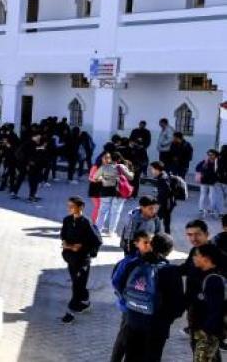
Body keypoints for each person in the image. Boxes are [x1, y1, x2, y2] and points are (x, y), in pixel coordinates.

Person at [110, 233, 185, 362]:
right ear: (169, 251)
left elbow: (120, 286)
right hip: (157, 326)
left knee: (131, 357)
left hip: (132, 320)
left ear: (151, 245)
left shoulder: (133, 264)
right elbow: (177, 307)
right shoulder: (171, 271)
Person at [59, 196, 102, 324]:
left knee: (77, 285)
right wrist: (68, 245)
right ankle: (85, 301)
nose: (69, 208)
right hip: (70, 258)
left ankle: (70, 311)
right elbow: (63, 236)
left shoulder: (86, 223)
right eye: (68, 206)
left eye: (72, 206)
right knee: (77, 283)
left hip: (82, 260)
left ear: (81, 207)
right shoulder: (67, 220)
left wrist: (85, 249)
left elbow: (97, 241)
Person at [188, 243, 225, 361]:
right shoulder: (203, 274)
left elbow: (216, 310)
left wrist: (205, 332)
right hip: (203, 331)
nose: (194, 257)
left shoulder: (213, 280)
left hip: (207, 334)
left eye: (197, 255)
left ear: (206, 258)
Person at [93, 151, 133, 236]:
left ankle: (98, 229)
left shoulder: (104, 167)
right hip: (119, 193)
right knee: (115, 212)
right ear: (119, 159)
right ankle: (111, 232)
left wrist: (104, 179)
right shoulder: (121, 166)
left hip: (106, 191)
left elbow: (94, 178)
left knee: (102, 211)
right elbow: (130, 177)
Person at [150, 161, 177, 234]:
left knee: (156, 219)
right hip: (170, 202)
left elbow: (165, 193)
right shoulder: (164, 175)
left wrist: (157, 205)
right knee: (166, 222)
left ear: (157, 169)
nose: (151, 170)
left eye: (152, 169)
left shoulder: (162, 179)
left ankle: (157, 236)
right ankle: (167, 236)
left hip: (165, 204)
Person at [196, 149, 221, 218]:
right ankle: (201, 209)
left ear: (215, 155)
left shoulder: (218, 162)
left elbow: (219, 171)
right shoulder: (205, 161)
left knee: (211, 196)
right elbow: (197, 168)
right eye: (209, 155)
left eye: (212, 155)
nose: (210, 156)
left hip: (213, 181)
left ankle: (210, 209)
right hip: (205, 180)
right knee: (203, 195)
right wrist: (204, 166)